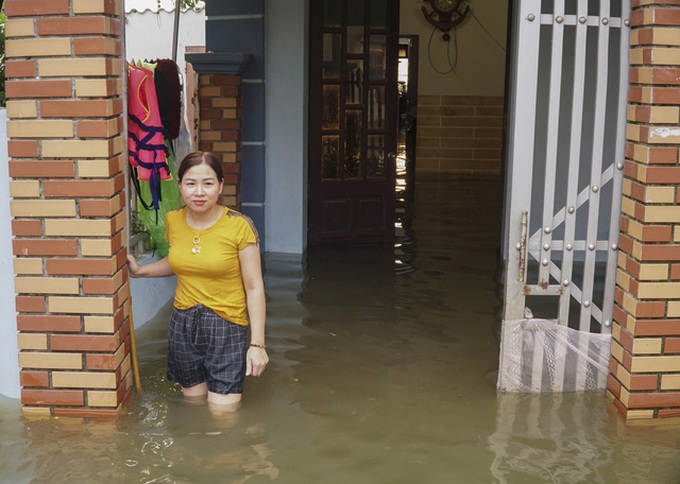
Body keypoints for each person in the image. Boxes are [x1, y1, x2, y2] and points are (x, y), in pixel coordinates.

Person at [127, 151, 269, 411]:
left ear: (221, 186)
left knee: (222, 413)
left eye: (208, 183)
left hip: (226, 324)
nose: (199, 192)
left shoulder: (239, 226)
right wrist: (140, 271)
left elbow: (254, 287)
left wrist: (257, 344)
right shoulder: (174, 220)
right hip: (183, 323)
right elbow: (180, 262)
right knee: (192, 407)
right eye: (191, 183)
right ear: (180, 186)